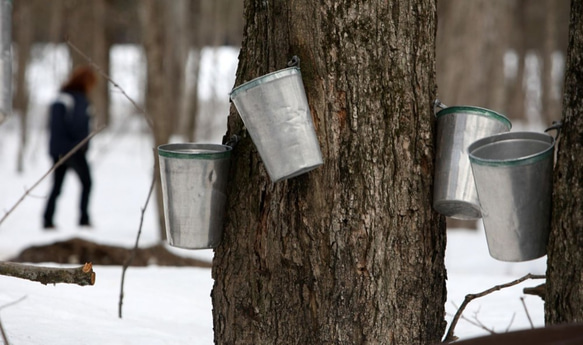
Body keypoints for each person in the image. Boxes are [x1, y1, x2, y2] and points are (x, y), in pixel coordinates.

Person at [43, 65, 97, 229]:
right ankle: (83, 218)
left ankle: (47, 219)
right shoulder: (75, 100)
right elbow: (75, 126)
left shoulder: (63, 97)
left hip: (60, 150)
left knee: (57, 186)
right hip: (73, 150)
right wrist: (80, 145)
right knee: (87, 183)